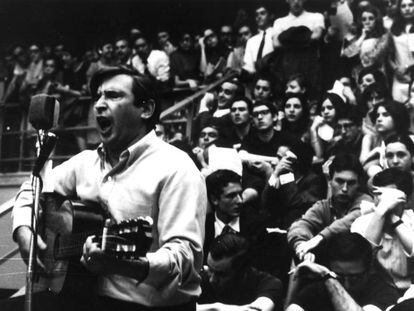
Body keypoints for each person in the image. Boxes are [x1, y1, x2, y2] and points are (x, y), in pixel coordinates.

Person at [8, 66, 207, 311]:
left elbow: (184, 260)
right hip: (82, 296)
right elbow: (32, 188)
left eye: (113, 95)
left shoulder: (177, 168)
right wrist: (23, 230)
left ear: (145, 109)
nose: (99, 105)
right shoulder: (85, 162)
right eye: (97, 97)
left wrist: (123, 265)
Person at [287, 153, 372, 263]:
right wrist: (302, 246)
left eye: (351, 183)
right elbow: (299, 226)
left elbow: (351, 219)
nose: (345, 189)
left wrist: (320, 238)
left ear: (358, 184)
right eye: (339, 181)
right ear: (330, 181)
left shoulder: (366, 201)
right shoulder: (322, 206)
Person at [286, 232, 400, 311]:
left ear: (369, 270)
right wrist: (297, 281)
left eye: (355, 278)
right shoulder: (319, 287)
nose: (347, 285)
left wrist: (330, 279)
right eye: (339, 277)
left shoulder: (384, 292)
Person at [352, 168, 414, 292]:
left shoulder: (412, 219)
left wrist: (395, 219)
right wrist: (380, 212)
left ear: (405, 199)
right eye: (378, 195)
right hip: (377, 290)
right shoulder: (361, 223)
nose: (382, 200)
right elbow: (361, 258)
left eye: (389, 196)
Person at [198, 233, 283, 311]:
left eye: (221, 274)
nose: (212, 279)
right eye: (210, 269)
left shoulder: (269, 284)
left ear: (242, 272)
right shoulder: (200, 279)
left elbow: (258, 309)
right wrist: (216, 307)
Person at [243, 4, 274, 74]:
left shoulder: (277, 35)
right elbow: (249, 66)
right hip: (255, 80)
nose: (259, 17)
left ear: (271, 16)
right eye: (257, 15)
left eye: (262, 13)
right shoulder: (251, 41)